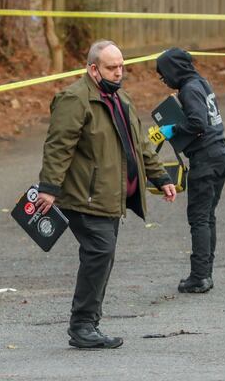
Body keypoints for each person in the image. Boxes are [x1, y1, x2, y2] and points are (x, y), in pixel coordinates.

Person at [35, 40, 177, 349]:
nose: (118, 72)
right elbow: (58, 146)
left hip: (110, 196)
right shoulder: (74, 99)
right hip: (85, 196)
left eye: (121, 66)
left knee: (102, 255)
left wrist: (160, 176)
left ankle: (87, 324)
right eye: (111, 68)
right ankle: (83, 325)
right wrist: (48, 188)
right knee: (99, 254)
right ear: (93, 68)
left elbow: (138, 144)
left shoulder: (121, 98)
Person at [156, 47, 225, 294]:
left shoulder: (188, 90)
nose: (163, 80)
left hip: (206, 158)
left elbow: (197, 122)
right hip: (221, 154)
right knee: (208, 215)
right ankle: (205, 274)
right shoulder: (202, 83)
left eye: (164, 74)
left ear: (174, 70)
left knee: (199, 217)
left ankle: (199, 277)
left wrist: (172, 130)